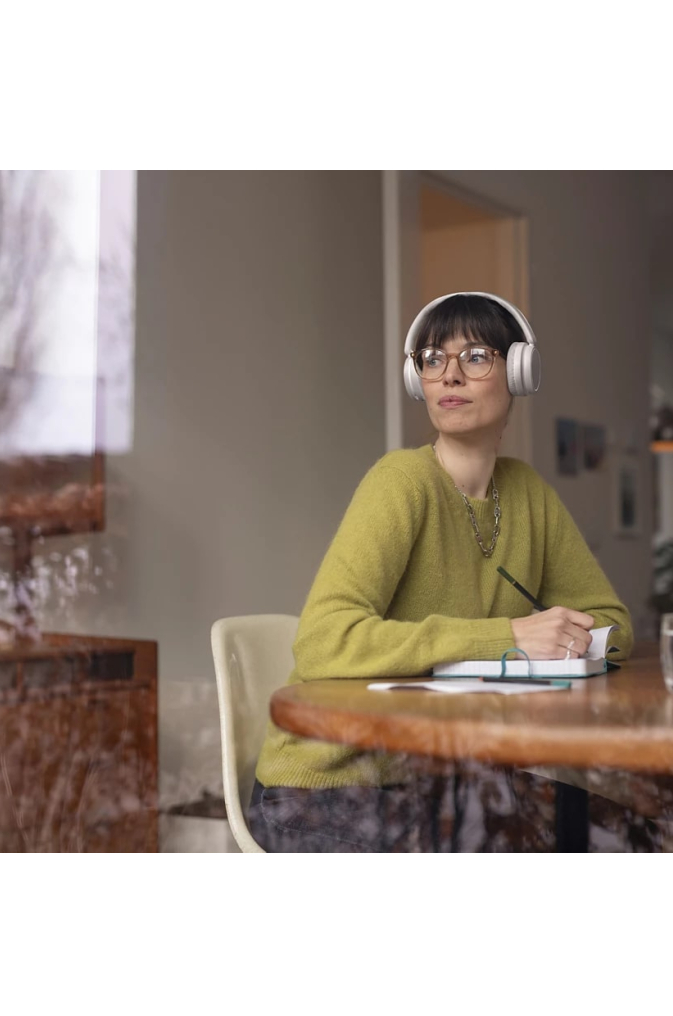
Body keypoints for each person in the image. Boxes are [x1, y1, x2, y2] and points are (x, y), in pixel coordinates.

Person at [249, 292, 634, 851]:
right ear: (419, 380)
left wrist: (563, 638)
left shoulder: (528, 493)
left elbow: (613, 626)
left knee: (628, 837)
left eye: (475, 357)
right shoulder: (401, 481)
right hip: (329, 788)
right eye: (432, 359)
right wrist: (508, 637)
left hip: (451, 785)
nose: (450, 375)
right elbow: (322, 642)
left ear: (519, 372)